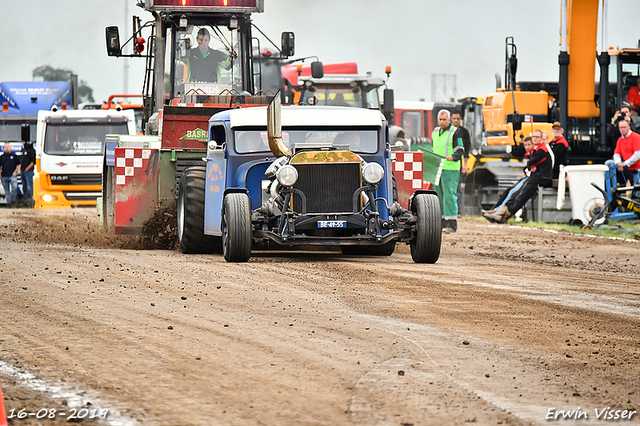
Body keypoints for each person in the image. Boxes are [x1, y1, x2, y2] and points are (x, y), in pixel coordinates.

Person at [484, 129, 552, 223]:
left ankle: (505, 214)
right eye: (534, 137)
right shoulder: (537, 150)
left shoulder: (542, 150)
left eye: (537, 137)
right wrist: (530, 165)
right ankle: (500, 212)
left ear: (542, 139)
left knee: (520, 194)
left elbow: (531, 163)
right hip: (534, 176)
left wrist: (531, 165)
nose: (535, 139)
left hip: (540, 178)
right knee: (514, 193)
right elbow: (530, 164)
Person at [481, 136, 535, 219]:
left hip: (532, 178)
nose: (527, 147)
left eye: (529, 145)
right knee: (509, 190)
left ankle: (502, 212)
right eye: (525, 145)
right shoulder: (529, 154)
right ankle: (496, 209)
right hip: (527, 176)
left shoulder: (536, 153)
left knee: (513, 192)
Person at [432, 109, 465, 232]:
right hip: (438, 168)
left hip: (450, 169)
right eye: (440, 120)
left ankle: (451, 223)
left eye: (444, 120)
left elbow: (460, 150)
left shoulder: (456, 132)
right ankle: (440, 221)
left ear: (449, 120)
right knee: (438, 195)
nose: (442, 122)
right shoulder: (435, 132)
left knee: (449, 195)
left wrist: (454, 157)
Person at [605, 119, 640, 191]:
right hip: (625, 166)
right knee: (609, 163)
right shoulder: (620, 140)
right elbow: (616, 154)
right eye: (621, 128)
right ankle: (612, 189)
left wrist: (624, 164)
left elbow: (637, 155)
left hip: (636, 167)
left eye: (624, 127)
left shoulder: (636, 137)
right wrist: (618, 163)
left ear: (629, 127)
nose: (622, 130)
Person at [451, 110, 471, 216]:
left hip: (457, 163)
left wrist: (465, 164)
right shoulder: (447, 131)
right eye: (454, 119)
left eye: (457, 119)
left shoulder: (464, 132)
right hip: (447, 164)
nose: (455, 121)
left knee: (457, 187)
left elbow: (466, 149)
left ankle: (457, 210)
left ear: (461, 119)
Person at [0, 143, 21, 208]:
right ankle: (9, 203)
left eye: (8, 147)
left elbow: (19, 165)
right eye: (5, 147)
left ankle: (13, 200)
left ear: (10, 147)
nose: (7, 148)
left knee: (14, 187)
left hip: (12, 176)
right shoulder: (2, 157)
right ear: (4, 148)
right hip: (4, 176)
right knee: (7, 191)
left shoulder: (14, 156)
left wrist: (15, 172)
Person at [20, 140, 36, 207]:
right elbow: (21, 160)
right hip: (23, 171)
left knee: (30, 186)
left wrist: (28, 168)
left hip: (29, 171)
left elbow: (33, 162)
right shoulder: (23, 150)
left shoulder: (32, 151)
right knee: (24, 187)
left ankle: (32, 201)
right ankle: (25, 201)